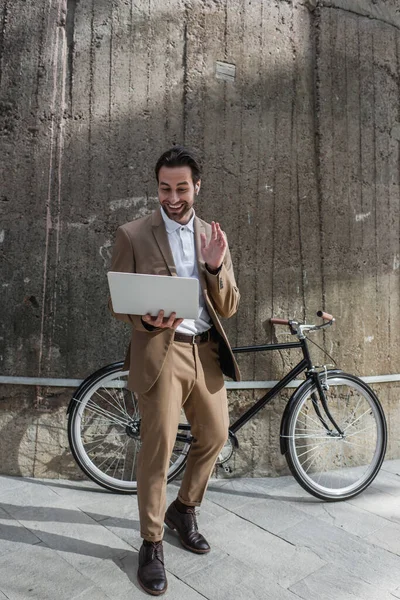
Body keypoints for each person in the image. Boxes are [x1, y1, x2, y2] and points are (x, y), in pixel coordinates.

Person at [108, 145, 240, 596]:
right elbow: (118, 299)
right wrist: (144, 319)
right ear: (157, 187)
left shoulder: (212, 235)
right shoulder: (132, 234)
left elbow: (229, 304)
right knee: (158, 449)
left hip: (205, 352)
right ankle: (151, 543)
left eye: (182, 187)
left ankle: (184, 508)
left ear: (197, 186)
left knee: (216, 435)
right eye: (165, 188)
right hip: (161, 352)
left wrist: (216, 266)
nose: (173, 196)